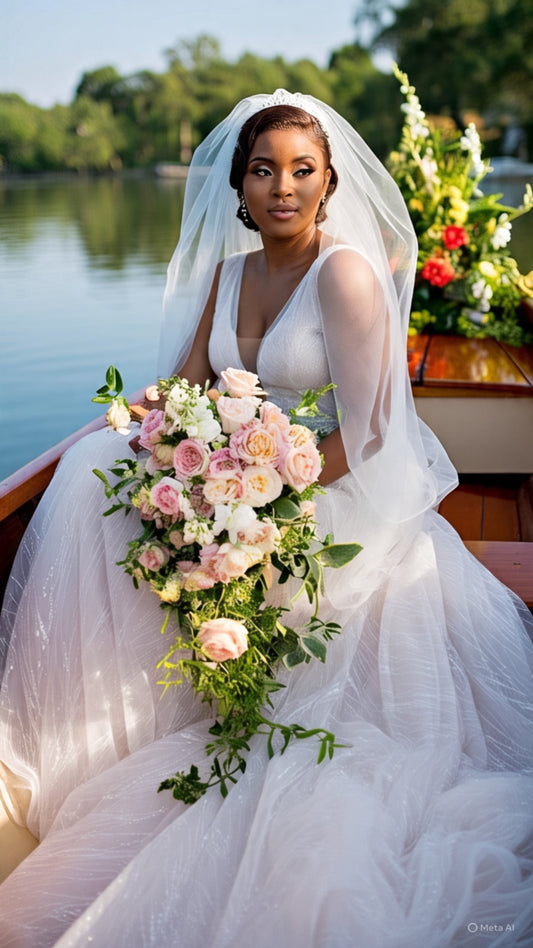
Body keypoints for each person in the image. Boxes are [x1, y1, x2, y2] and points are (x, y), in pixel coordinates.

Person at [0, 89, 532, 947]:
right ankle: (91, 726)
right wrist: (153, 419)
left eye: (300, 171)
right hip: (238, 480)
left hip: (326, 487)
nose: (281, 187)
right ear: (239, 188)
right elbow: (185, 384)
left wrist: (256, 500)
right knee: (92, 467)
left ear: (326, 184)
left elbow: (366, 434)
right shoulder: (226, 275)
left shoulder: (346, 273)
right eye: (262, 170)